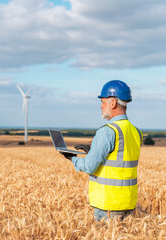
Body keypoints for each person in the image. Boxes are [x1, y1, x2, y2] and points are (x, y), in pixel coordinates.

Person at [60, 80, 143, 222]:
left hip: (108, 204)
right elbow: (118, 157)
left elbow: (89, 167)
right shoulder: (136, 132)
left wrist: (72, 158)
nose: (101, 106)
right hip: (128, 202)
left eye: (103, 102)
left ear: (113, 103)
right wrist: (93, 151)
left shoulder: (107, 132)